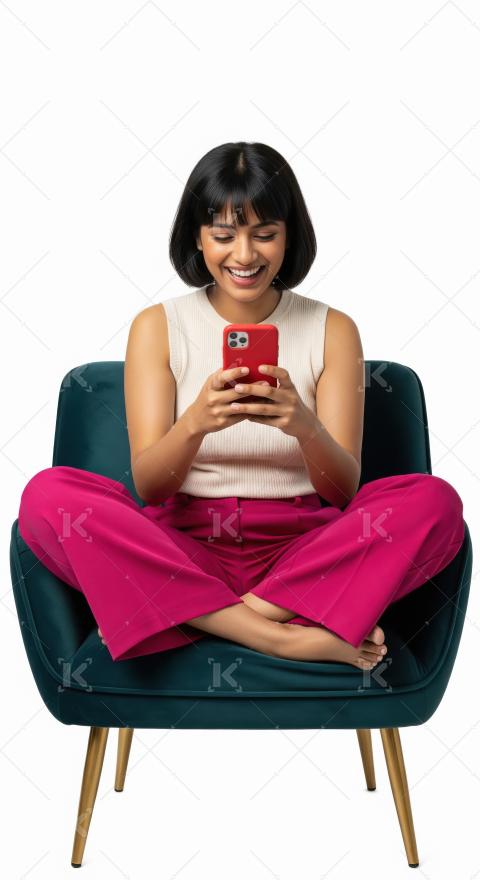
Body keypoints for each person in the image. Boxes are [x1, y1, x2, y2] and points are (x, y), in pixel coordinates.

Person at [18, 141, 465, 671]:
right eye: (224, 235)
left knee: (435, 502)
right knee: (47, 496)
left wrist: (304, 427)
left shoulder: (333, 329)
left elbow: (343, 491)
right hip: (183, 547)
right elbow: (151, 487)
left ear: (290, 236)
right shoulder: (157, 326)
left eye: (265, 234)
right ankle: (282, 637)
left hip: (301, 551)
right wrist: (195, 424)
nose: (246, 256)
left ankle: (202, 617)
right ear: (197, 237)